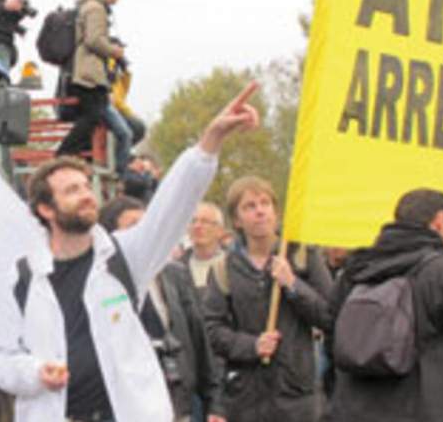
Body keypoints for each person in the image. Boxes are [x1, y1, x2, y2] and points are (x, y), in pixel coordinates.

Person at [0, 83, 259, 422]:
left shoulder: (123, 258)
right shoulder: (20, 277)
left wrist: (209, 144)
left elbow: (170, 208)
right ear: (45, 209)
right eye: (72, 191)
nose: (87, 195)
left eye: (86, 187)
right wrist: (36, 373)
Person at [326, 189, 443, 422]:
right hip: (430, 409)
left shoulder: (356, 270)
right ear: (439, 222)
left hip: (352, 409)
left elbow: (333, 336)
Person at [202, 176, 333, 422]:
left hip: (296, 398)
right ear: (237, 220)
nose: (259, 211)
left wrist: (293, 284)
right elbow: (213, 330)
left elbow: (329, 316)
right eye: (249, 206)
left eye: (265, 203)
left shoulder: (303, 255)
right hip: (246, 399)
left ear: (276, 212)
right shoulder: (223, 268)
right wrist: (252, 345)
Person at [99, 196, 226, 422]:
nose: (145, 234)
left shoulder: (174, 274)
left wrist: (215, 405)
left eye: (147, 225)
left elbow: (199, 341)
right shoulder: (102, 286)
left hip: (180, 404)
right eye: (133, 227)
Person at [56, 0, 125, 165]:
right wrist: (114, 51)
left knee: (92, 116)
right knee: (93, 116)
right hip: (89, 72)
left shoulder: (88, 6)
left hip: (83, 69)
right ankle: (64, 155)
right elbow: (93, 39)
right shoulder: (96, 8)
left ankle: (70, 156)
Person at [179, 202, 228, 298]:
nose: (197, 226)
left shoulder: (232, 265)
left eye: (205, 222)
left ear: (220, 230)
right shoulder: (178, 269)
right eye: (193, 221)